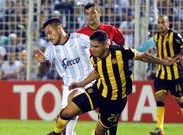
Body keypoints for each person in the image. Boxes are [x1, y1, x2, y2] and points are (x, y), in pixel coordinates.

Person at [47, 30, 177, 135]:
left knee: (100, 132)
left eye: (96, 47)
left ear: (106, 44)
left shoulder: (121, 52)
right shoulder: (94, 58)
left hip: (116, 101)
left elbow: (143, 56)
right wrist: (81, 84)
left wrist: (164, 62)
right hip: (98, 92)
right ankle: (56, 133)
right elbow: (97, 72)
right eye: (91, 46)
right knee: (65, 113)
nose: (93, 50)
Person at [33, 18, 94, 135]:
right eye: (47, 34)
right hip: (70, 86)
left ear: (59, 28)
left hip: (91, 81)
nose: (49, 37)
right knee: (64, 128)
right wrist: (43, 63)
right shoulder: (51, 48)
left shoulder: (79, 39)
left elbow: (99, 46)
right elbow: (42, 72)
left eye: (50, 33)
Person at [77, 3, 125, 134]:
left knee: (111, 109)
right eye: (87, 14)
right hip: (92, 75)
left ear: (100, 13)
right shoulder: (79, 35)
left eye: (93, 12)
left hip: (111, 75)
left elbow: (122, 45)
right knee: (103, 109)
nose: (90, 16)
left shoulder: (111, 30)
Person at [149, 15, 183, 135]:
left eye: (163, 22)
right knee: (160, 97)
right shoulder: (156, 37)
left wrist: (173, 59)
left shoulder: (175, 36)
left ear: (168, 23)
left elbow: (182, 51)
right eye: (159, 22)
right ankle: (159, 128)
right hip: (161, 74)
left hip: (175, 74)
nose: (161, 24)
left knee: (180, 100)